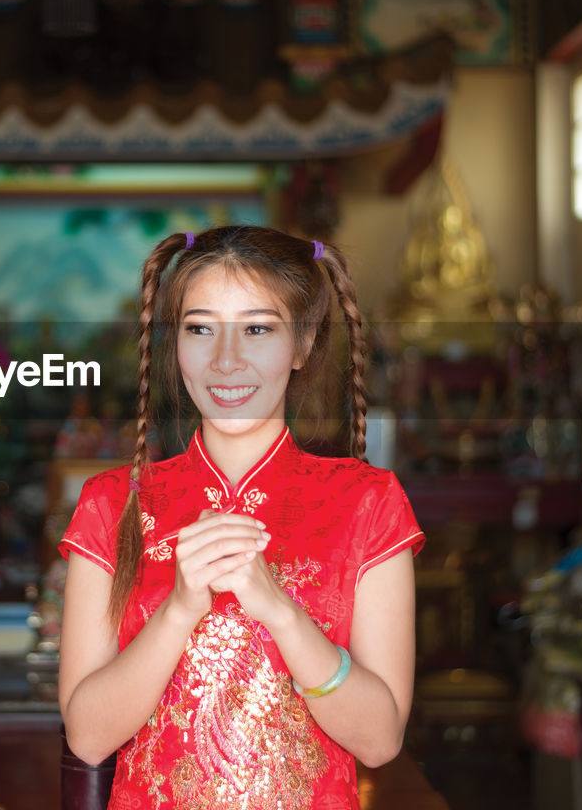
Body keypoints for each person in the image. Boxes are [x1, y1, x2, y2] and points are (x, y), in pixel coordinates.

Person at [57, 226, 424, 810]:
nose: (226, 361)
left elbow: (379, 740)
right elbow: (89, 736)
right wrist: (179, 609)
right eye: (200, 329)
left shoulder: (368, 504)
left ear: (302, 343)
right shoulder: (112, 504)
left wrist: (279, 609)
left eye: (257, 329)